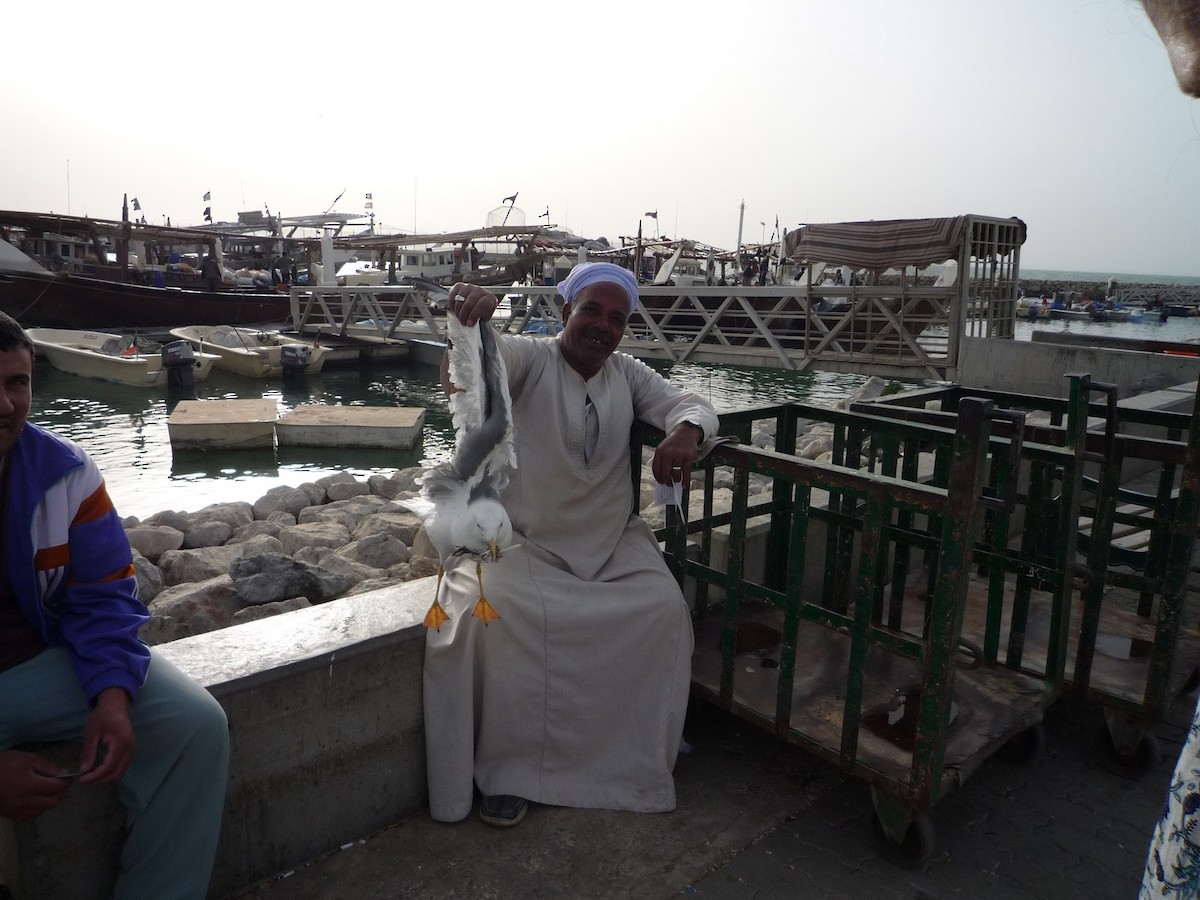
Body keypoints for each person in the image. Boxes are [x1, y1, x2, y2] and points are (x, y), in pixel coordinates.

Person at [423, 262, 720, 827]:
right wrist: (472, 325)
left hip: (610, 542)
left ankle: (631, 763)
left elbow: (692, 404)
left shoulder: (629, 374)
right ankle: (511, 773)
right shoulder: (533, 359)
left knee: (661, 610)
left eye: (616, 318)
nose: (602, 326)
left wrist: (687, 431)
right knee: (499, 617)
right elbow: (472, 373)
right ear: (566, 313)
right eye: (591, 311)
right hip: (526, 542)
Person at [0, 310, 229, 899]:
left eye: (16, 383)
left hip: (32, 668)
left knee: (193, 726)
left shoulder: (66, 475)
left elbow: (103, 598)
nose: (4, 405)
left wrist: (111, 694)